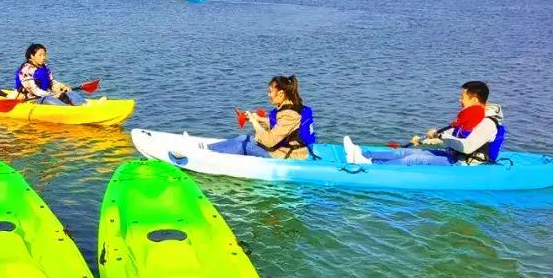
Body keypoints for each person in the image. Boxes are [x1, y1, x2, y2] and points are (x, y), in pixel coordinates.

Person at [342, 81, 505, 166]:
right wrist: (423, 141)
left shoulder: (487, 123)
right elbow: (448, 138)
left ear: (474, 99)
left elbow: (467, 147)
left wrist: (441, 136)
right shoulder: (470, 116)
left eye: (463, 96)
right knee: (403, 153)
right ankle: (362, 152)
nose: (459, 99)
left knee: (414, 160)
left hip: (465, 164)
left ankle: (369, 165)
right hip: (452, 156)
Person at [207, 75, 315, 159]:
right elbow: (280, 126)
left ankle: (208, 157)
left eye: (270, 92)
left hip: (288, 155)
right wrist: (259, 119)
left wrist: (255, 122)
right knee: (244, 138)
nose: (268, 95)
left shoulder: (290, 114)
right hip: (280, 148)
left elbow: (269, 141)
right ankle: (208, 149)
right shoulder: (289, 108)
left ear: (281, 93)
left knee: (244, 146)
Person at [15, 44, 85, 106]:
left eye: (44, 55)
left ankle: (77, 106)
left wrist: (63, 87)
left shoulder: (44, 68)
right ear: (32, 56)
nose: (43, 57)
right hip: (32, 98)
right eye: (40, 55)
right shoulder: (26, 70)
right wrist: (52, 95)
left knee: (72, 94)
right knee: (53, 101)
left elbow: (52, 82)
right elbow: (33, 90)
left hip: (45, 95)